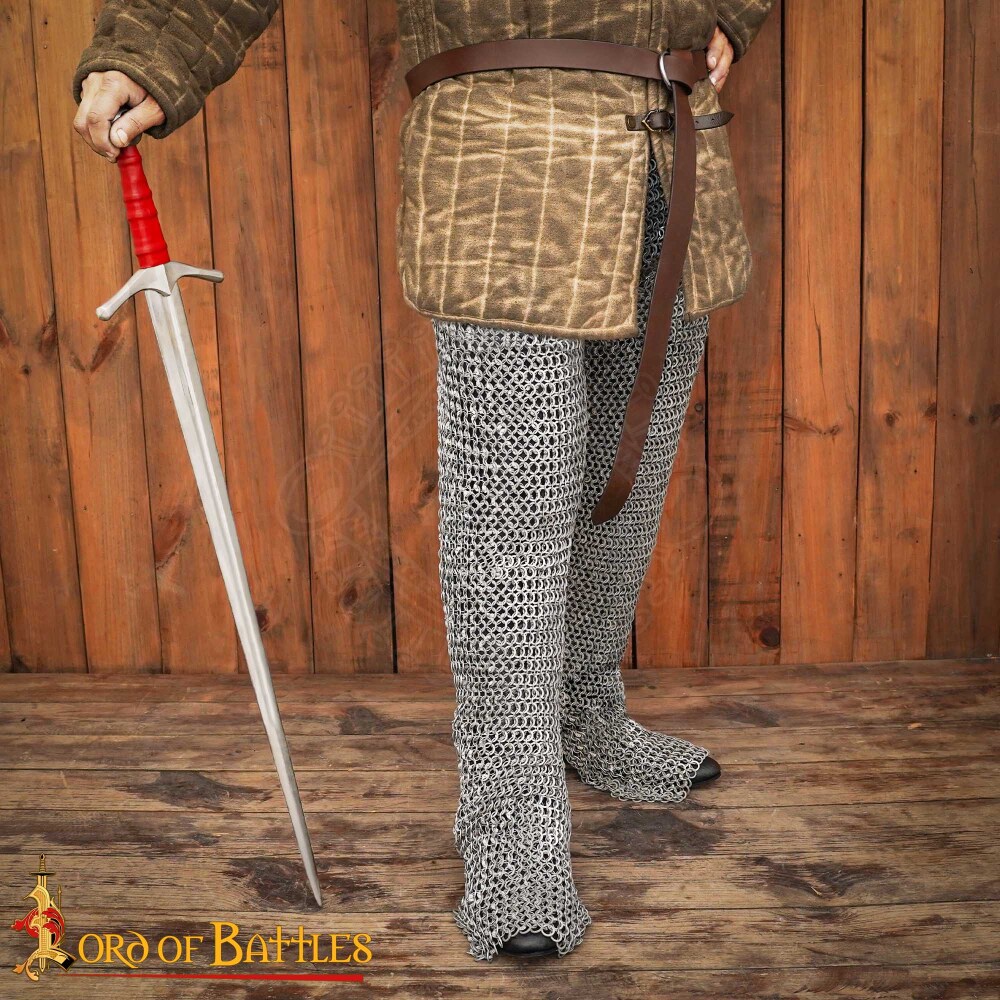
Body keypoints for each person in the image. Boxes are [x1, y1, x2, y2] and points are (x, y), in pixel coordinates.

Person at [73, 0, 774, 963]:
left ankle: (584, 711)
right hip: (505, 157)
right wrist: (148, 50)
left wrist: (734, 10)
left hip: (675, 140)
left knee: (628, 475)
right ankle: (511, 823)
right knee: (514, 513)